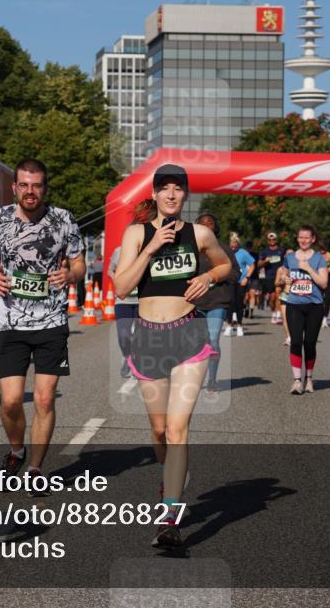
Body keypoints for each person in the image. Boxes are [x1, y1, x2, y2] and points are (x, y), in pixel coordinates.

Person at [113, 164, 231, 549]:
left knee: (179, 429)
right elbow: (120, 288)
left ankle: (169, 518)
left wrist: (208, 278)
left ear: (185, 195)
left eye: (177, 189)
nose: (170, 195)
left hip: (188, 335)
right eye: (163, 188)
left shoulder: (200, 233)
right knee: (160, 430)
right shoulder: (136, 233)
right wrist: (150, 248)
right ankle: (171, 477)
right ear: (154, 194)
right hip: (148, 338)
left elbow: (226, 264)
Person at [0, 158, 85, 493]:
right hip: (12, 322)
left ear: (45, 187)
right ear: (15, 187)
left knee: (44, 400)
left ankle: (36, 469)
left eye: (37, 185)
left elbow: (80, 264)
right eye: (24, 185)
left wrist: (69, 274)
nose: (30, 191)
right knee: (11, 401)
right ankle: (17, 450)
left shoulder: (63, 220)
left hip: (51, 322)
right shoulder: (0, 218)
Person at [276, 226, 328, 394]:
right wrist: (285, 278)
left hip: (314, 306)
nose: (303, 240)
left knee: (310, 343)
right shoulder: (290, 258)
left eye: (307, 238)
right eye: (300, 237)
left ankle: (309, 378)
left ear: (313, 239)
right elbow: (283, 274)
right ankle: (297, 381)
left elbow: (323, 283)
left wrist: (308, 269)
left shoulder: (319, 258)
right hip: (294, 304)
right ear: (297, 239)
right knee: (296, 341)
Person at [107, 201, 155, 380]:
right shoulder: (119, 251)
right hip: (124, 300)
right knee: (124, 336)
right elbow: (110, 270)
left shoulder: (151, 251)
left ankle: (136, 362)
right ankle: (128, 357)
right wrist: (118, 281)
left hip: (143, 300)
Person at [194, 213, 239, 394]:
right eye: (202, 224)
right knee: (197, 344)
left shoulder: (224, 249)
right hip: (194, 302)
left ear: (215, 227)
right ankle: (195, 378)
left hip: (217, 301)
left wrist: (214, 277)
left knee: (213, 340)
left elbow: (236, 273)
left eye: (210, 223)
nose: (206, 226)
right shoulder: (190, 248)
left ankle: (212, 379)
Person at [225, 233, 254, 338]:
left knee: (239, 304)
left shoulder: (243, 253)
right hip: (229, 281)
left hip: (241, 281)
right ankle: (228, 325)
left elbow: (252, 265)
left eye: (235, 244)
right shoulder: (226, 252)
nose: (233, 246)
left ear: (238, 244)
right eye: (231, 244)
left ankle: (240, 326)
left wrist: (247, 277)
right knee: (230, 304)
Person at [259, 231, 285, 324]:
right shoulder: (265, 251)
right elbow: (259, 264)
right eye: (270, 240)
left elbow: (286, 261)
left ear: (276, 240)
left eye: (273, 239)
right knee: (272, 297)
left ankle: (278, 314)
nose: (272, 241)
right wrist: (265, 261)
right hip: (269, 276)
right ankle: (273, 312)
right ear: (268, 241)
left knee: (278, 293)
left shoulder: (281, 250)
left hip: (280, 275)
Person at [245, 239, 262, 318]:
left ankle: (251, 312)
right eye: (248, 247)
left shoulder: (256, 255)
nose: (249, 248)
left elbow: (259, 265)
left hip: (254, 277)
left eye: (250, 247)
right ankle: (246, 308)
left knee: (252, 294)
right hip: (244, 277)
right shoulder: (243, 254)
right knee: (246, 296)